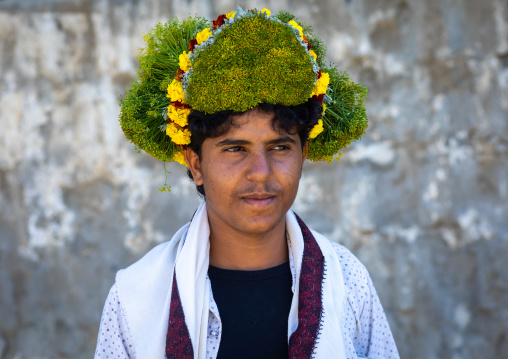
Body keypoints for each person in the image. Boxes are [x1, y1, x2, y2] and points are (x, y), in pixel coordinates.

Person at [95, 7, 399, 359]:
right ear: (196, 164)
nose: (261, 172)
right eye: (235, 148)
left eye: (280, 147)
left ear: (303, 155)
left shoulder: (348, 283)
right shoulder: (136, 298)